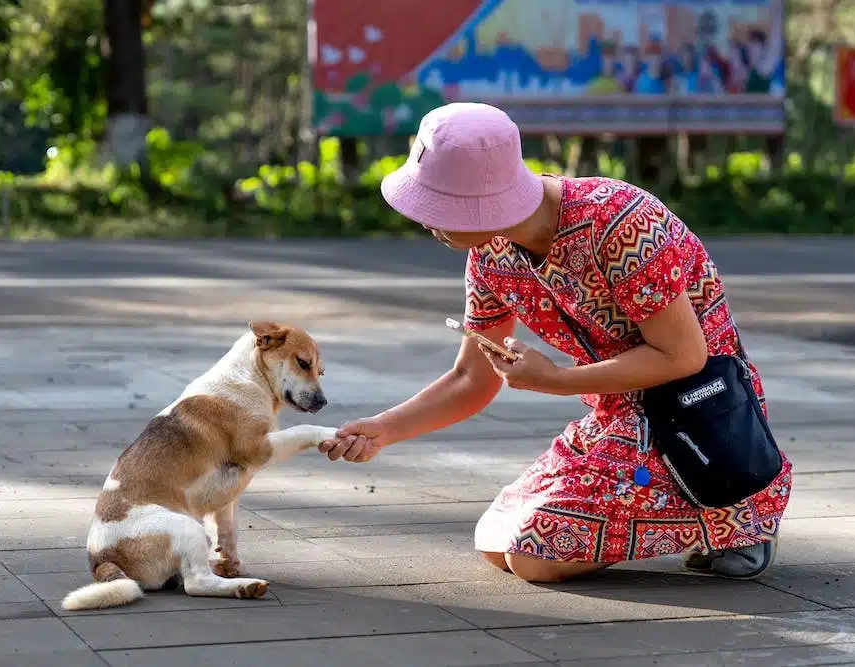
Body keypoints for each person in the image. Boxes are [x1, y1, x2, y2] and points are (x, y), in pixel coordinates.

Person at [318, 102, 793, 584]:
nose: (425, 222)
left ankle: (738, 513)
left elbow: (683, 356)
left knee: (534, 556)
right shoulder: (491, 256)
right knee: (497, 541)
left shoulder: (618, 221)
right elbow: (470, 378)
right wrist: (383, 429)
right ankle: (703, 514)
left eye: (437, 207)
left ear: (483, 202)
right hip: (620, 416)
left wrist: (557, 381)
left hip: (698, 416)